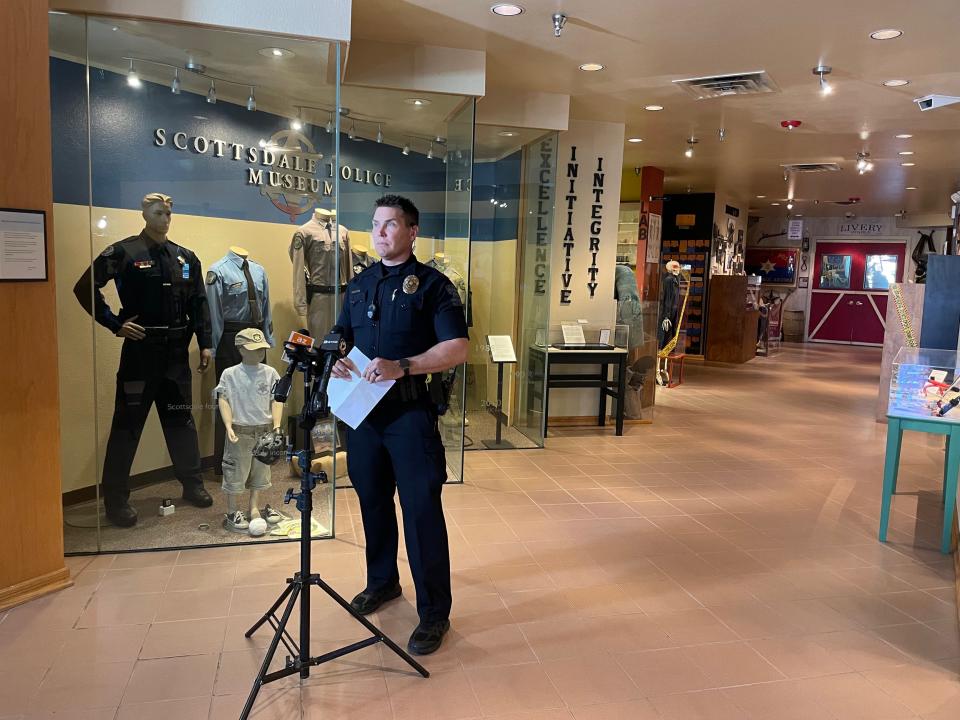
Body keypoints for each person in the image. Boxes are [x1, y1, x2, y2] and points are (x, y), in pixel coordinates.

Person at [331, 194, 468, 655]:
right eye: (375, 224)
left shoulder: (434, 286)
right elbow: (341, 337)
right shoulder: (358, 284)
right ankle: (383, 581)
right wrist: (336, 361)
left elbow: (456, 347)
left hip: (410, 414)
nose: (381, 232)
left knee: (421, 511)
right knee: (372, 501)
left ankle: (434, 613)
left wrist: (402, 365)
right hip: (364, 416)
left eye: (391, 225)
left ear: (412, 231)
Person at [73, 192, 214, 528]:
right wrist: (115, 324)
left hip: (176, 355)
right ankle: (116, 500)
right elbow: (84, 288)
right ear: (144, 214)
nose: (165, 217)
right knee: (127, 427)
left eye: (168, 212)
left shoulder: (185, 257)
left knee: (181, 422)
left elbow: (199, 303)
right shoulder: (123, 252)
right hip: (141, 352)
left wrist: (205, 343)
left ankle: (192, 484)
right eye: (158, 212)